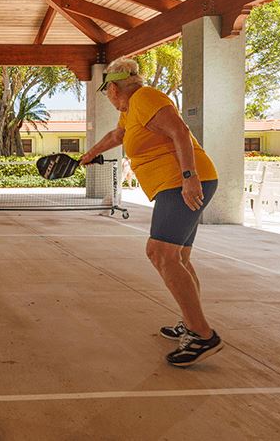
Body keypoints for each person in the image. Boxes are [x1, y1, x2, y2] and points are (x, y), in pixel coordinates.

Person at [80, 58, 222, 367]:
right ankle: (191, 321)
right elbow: (117, 137)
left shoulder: (145, 98)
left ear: (113, 89)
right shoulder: (131, 110)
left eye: (106, 92)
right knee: (179, 257)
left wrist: (189, 177)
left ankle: (202, 334)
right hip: (177, 182)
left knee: (159, 253)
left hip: (180, 182)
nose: (109, 97)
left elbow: (180, 131)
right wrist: (89, 155)